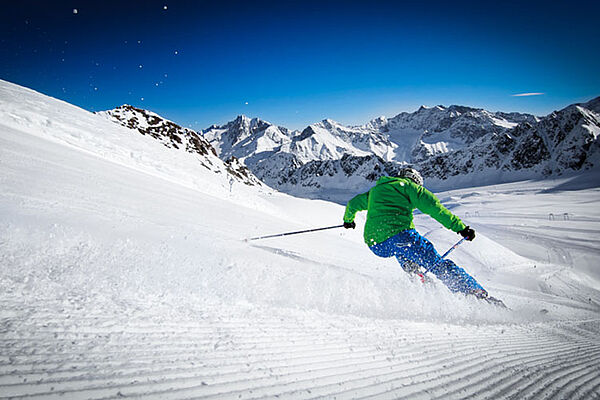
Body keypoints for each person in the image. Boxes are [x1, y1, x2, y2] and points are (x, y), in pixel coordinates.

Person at [343, 167, 488, 298]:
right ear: (416, 181)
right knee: (436, 263)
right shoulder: (409, 188)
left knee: (403, 252)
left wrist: (348, 220)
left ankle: (420, 284)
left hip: (376, 244)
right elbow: (435, 208)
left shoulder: (376, 191)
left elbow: (353, 204)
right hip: (399, 235)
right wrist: (460, 228)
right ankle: (472, 292)